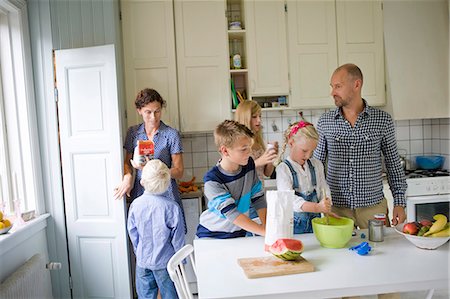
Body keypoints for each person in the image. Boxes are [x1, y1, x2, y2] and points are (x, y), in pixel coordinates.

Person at [314, 63, 407, 229]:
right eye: (332, 86)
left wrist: (399, 203)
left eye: (338, 86)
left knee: (380, 253)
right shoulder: (325, 122)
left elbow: (393, 164)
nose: (332, 92)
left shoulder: (382, 120)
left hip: (373, 208)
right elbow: (316, 166)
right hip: (337, 209)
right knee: (339, 254)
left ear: (356, 85)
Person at [113, 88, 185, 217]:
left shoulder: (171, 135)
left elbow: (179, 171)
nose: (153, 117)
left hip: (166, 193)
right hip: (142, 192)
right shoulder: (133, 133)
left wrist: (153, 170)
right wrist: (127, 177)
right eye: (148, 112)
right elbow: (127, 162)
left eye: (157, 111)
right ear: (139, 111)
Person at [196, 120, 267, 238]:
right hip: (212, 236)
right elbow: (232, 213)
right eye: (244, 149)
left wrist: (266, 226)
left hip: (238, 234)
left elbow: (258, 197)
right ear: (225, 151)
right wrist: (265, 232)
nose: (249, 152)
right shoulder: (212, 180)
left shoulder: (248, 165)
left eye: (249, 147)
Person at [127, 159, 184, 299]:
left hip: (143, 260)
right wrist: (181, 261)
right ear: (167, 184)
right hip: (166, 262)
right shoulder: (172, 207)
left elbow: (132, 232)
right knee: (170, 295)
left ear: (142, 182)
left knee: (145, 295)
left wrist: (138, 250)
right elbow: (178, 238)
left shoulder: (136, 204)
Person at [275, 121, 334, 234]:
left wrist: (326, 203)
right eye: (304, 150)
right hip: (294, 227)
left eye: (312, 151)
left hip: (315, 225)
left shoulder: (317, 165)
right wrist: (316, 208)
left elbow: (323, 188)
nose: (308, 156)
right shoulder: (283, 169)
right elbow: (289, 199)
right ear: (291, 143)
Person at [234, 100, 278, 181]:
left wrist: (271, 156)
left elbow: (267, 173)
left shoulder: (258, 140)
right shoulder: (235, 142)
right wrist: (259, 161)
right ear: (245, 118)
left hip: (259, 190)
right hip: (245, 192)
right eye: (254, 117)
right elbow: (236, 171)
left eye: (260, 116)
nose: (259, 120)